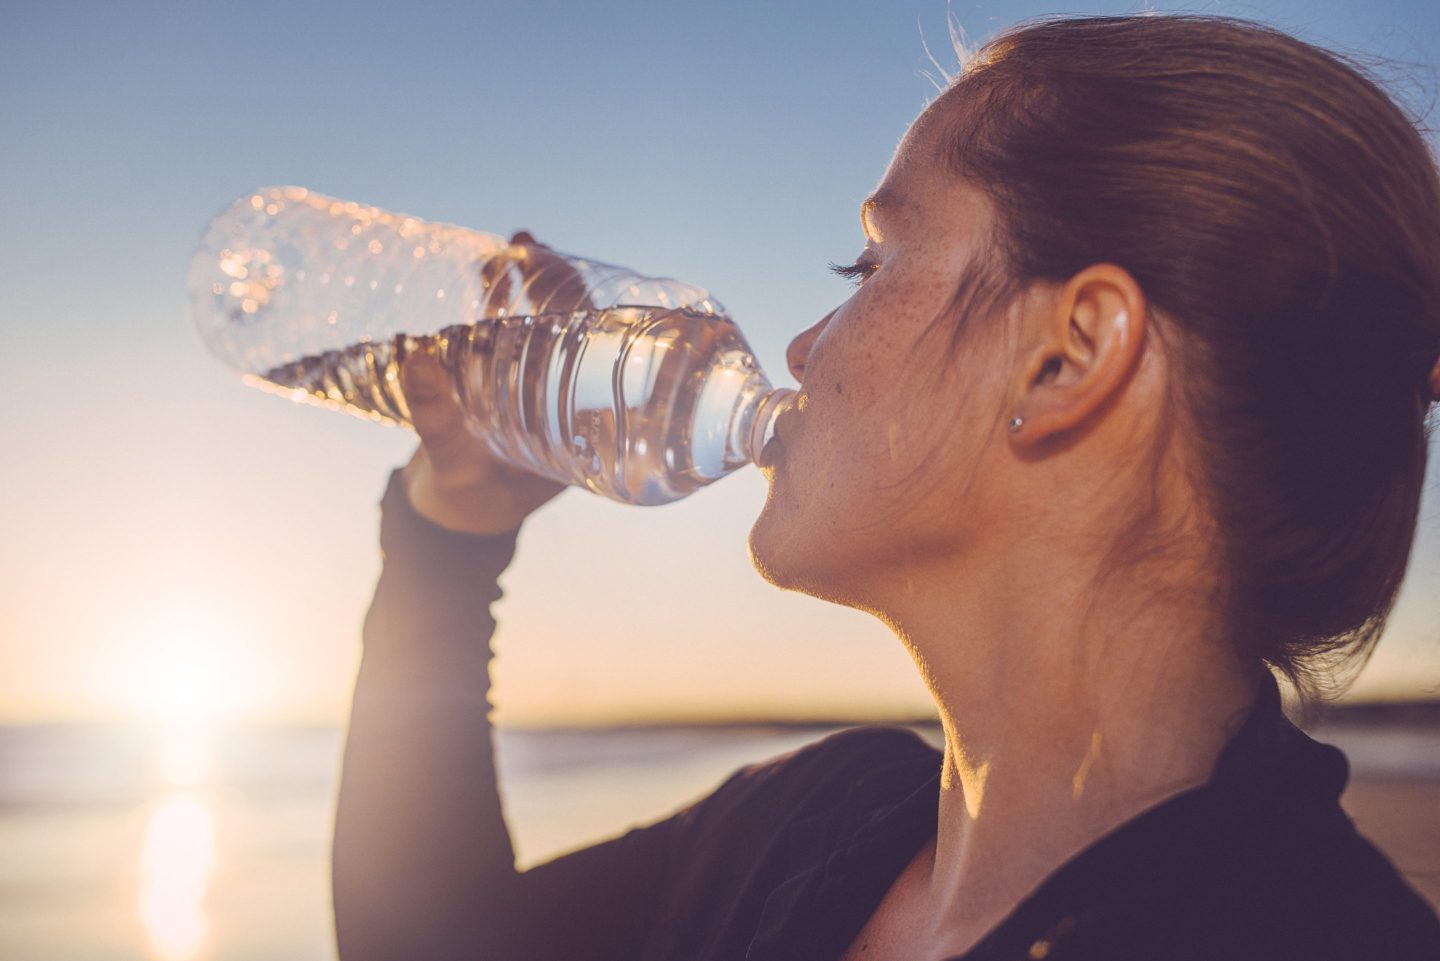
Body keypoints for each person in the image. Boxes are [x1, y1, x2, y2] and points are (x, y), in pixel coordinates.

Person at [332, 14, 1440, 961]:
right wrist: (448, 538)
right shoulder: (815, 819)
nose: (804, 346)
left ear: (1067, 357)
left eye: (868, 265)